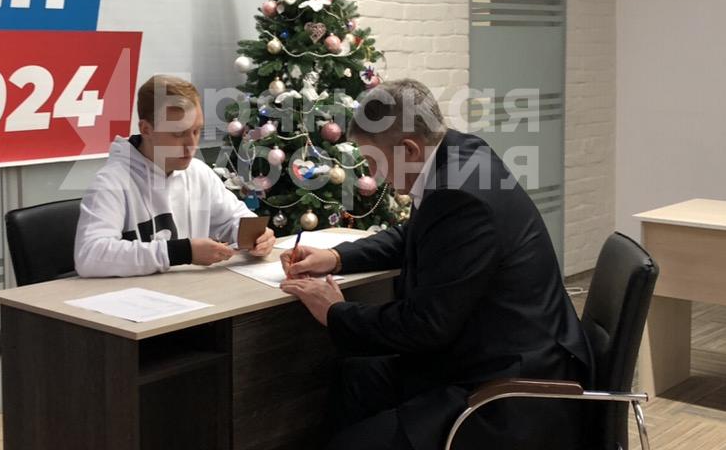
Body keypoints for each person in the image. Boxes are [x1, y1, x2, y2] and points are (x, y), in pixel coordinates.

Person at [280, 79, 592, 450]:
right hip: (488, 350)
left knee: (352, 442)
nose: (375, 175)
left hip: (508, 387)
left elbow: (425, 326)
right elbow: (414, 236)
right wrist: (336, 257)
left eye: (375, 161)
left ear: (408, 149)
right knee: (356, 378)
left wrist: (335, 312)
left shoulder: (459, 196)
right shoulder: (461, 153)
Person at [75, 75, 275, 277]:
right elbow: (89, 256)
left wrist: (258, 236)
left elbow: (235, 219)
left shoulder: (198, 172)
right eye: (178, 134)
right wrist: (184, 252)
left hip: (192, 290)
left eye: (196, 131)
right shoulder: (111, 181)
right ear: (146, 129)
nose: (191, 145)